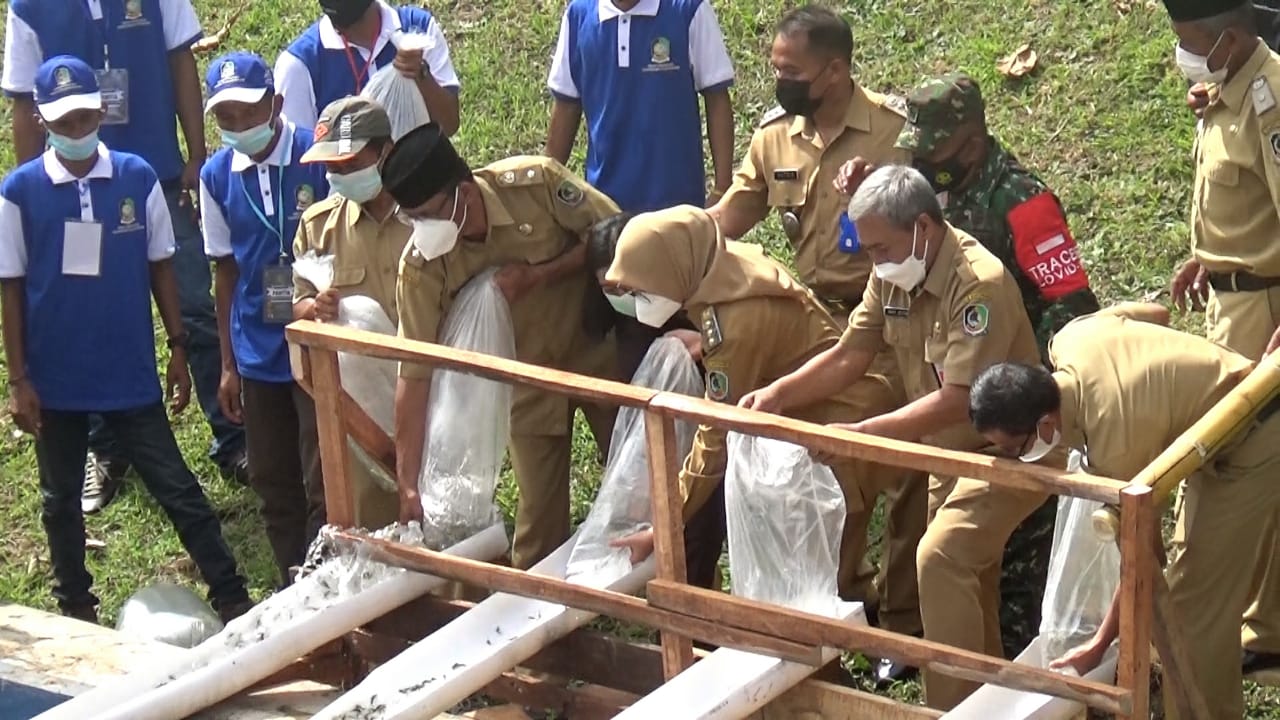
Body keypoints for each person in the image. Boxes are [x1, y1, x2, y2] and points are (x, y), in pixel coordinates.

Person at [740, 165, 1042, 710]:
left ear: (922, 227)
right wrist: (780, 394)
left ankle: (952, 706)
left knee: (941, 560)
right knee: (970, 584)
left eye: (880, 247)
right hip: (943, 457)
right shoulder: (893, 271)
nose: (874, 261)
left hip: (1003, 452)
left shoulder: (978, 284)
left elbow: (960, 398)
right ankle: (996, 703)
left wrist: (860, 434)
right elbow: (852, 353)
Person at [706, 6, 927, 672]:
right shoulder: (776, 138)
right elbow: (733, 215)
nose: (779, 80)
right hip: (814, 324)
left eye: (791, 71)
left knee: (907, 469)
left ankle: (902, 627)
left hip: (896, 318)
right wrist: (676, 244)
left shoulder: (891, 134)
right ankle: (834, 603)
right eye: (775, 67)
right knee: (816, 463)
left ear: (835, 71)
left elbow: (933, 222)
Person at [0, 56, 252, 624]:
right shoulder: (19, 193)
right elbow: (11, 290)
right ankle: (76, 608)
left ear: (101, 110)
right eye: (63, 123)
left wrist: (180, 348)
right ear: (41, 120)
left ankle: (231, 593)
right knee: (59, 501)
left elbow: (161, 266)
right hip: (55, 376)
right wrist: (20, 381)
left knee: (177, 487)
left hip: (128, 370)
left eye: (85, 117)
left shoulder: (136, 177)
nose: (77, 131)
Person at [880, 71, 1103, 660]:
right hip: (961, 403)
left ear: (972, 144)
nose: (926, 168)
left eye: (936, 156)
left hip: (1020, 412)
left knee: (1019, 572)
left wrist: (1036, 405)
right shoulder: (940, 194)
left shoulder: (1022, 203)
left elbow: (1072, 309)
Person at [969, 304, 1280, 719]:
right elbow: (1156, 312)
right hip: (1218, 422)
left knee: (1189, 618)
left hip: (1252, 440)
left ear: (1045, 425)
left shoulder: (1117, 445)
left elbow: (1144, 564)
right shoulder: (1070, 339)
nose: (1015, 457)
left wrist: (1097, 645)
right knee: (1194, 593)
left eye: (1016, 448)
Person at [589, 205, 904, 613]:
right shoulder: (727, 268)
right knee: (829, 564)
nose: (636, 301)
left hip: (837, 428)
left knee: (820, 579)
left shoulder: (732, 326)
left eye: (641, 290)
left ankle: (839, 659)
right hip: (836, 409)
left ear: (674, 267)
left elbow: (714, 438)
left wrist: (663, 525)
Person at [380, 123, 619, 569]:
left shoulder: (536, 185)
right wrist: (408, 482)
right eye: (411, 219)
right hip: (526, 384)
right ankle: (545, 619)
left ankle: (652, 585)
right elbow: (413, 372)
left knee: (635, 476)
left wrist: (540, 275)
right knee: (539, 521)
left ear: (465, 194)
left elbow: (615, 237)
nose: (421, 229)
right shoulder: (421, 269)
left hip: (598, 354)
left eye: (429, 214)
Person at [1163, 0, 1280, 681]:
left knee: (1232, 464)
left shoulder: (1270, 103)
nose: (1183, 55)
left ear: (1231, 38)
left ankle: (1234, 623)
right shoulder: (1227, 90)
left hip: (1264, 314)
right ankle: (1268, 628)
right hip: (1235, 297)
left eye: (1190, 42)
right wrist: (1208, 253)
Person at [199, 52, 330, 586]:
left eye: (247, 113)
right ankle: (290, 583)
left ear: (275, 104)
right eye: (225, 118)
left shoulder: (313, 155)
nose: (237, 127)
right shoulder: (215, 176)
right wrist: (228, 364)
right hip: (258, 350)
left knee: (324, 475)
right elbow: (225, 273)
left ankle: (329, 586)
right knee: (274, 479)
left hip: (315, 340)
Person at [293, 95, 406, 530]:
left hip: (431, 391)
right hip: (362, 412)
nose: (340, 176)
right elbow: (288, 301)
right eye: (332, 169)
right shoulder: (318, 225)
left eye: (351, 164)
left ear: (386, 151)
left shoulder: (425, 213)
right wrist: (312, 307)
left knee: (448, 517)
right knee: (373, 519)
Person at [545, 0, 736, 213]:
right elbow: (566, 106)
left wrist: (722, 189)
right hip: (604, 207)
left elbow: (716, 97)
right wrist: (545, 189)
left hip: (677, 206)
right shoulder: (578, 16)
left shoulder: (688, 9)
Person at [275, 0, 460, 136]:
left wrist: (422, 76)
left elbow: (449, 124)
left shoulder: (418, 30)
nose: (344, 32)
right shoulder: (299, 65)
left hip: (419, 175)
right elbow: (303, 160)